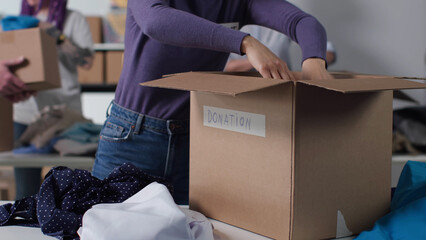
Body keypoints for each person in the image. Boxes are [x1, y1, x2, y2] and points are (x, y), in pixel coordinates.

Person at [92, 0, 332, 205]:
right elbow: (156, 21)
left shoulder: (238, 2)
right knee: (102, 230)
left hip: (195, 143)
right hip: (131, 138)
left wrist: (314, 60)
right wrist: (245, 42)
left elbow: (303, 22)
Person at [13, 0, 94, 199]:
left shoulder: (74, 19)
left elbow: (87, 61)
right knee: (25, 193)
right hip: (25, 115)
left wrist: (57, 35)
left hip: (63, 116)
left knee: (67, 191)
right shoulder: (18, 21)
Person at [225, 25, 336, 72]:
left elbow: (327, 49)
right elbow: (220, 65)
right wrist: (264, 62)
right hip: (236, 89)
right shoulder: (227, 12)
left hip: (283, 90)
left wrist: (314, 63)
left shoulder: (284, 13)